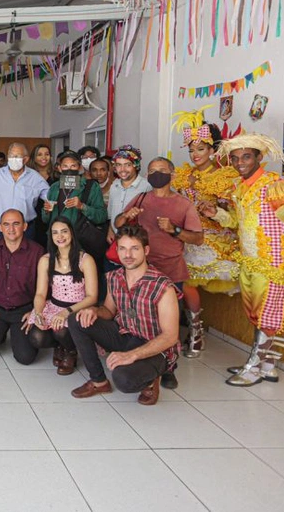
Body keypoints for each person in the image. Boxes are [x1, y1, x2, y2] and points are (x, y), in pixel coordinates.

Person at [206, 133, 284, 387]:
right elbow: (237, 222)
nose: (239, 162)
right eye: (234, 158)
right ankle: (268, 366)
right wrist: (217, 213)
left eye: (246, 156)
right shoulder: (240, 188)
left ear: (259, 157)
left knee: (268, 316)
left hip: (274, 266)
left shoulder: (275, 185)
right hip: (250, 263)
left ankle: (254, 368)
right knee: (258, 316)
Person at [68, 226, 181, 405]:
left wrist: (132, 355)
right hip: (125, 335)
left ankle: (152, 380)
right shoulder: (114, 277)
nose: (128, 254)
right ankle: (99, 381)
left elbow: (170, 336)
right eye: (122, 248)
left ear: (146, 250)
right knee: (76, 318)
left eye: (134, 248)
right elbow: (108, 311)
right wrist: (93, 311)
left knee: (124, 379)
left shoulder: (162, 286)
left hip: (156, 347)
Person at [115, 157, 202, 388]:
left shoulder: (183, 204)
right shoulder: (142, 197)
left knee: (168, 324)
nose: (156, 175)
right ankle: (145, 358)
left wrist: (175, 230)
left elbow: (198, 237)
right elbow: (118, 223)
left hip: (171, 270)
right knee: (145, 319)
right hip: (142, 269)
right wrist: (127, 216)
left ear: (172, 175)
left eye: (161, 171)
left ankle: (168, 367)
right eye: (152, 171)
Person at [170, 109, 242, 358]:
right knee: (181, 283)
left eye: (200, 149)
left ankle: (196, 333)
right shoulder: (184, 175)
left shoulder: (224, 177)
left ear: (213, 150)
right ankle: (192, 329)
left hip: (212, 239)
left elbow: (233, 215)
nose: (195, 154)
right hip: (184, 236)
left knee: (187, 281)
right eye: (191, 150)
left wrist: (215, 211)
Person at [24, 218, 99, 375]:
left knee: (61, 330)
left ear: (71, 232)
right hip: (54, 304)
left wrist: (66, 312)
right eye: (55, 233)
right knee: (36, 337)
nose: (60, 236)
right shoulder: (46, 260)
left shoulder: (85, 260)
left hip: (78, 307)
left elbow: (92, 297)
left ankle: (70, 351)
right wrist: (38, 312)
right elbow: (40, 293)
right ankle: (60, 345)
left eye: (64, 231)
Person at [0, 209, 45, 364]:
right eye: (6, 224)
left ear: (25, 226)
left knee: (25, 358)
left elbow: (48, 286)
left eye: (16, 224)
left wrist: (35, 311)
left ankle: (15, 333)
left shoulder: (37, 251)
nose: (11, 229)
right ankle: (0, 333)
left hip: (24, 310)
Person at [107, 145, 151, 241]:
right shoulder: (114, 185)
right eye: (118, 165)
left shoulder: (146, 186)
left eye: (127, 165)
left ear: (136, 165)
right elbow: (111, 213)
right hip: (116, 237)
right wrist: (110, 230)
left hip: (136, 239)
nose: (122, 169)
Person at [29, 143, 54, 247]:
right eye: (39, 154)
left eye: (47, 154)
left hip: (52, 218)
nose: (44, 157)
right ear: (34, 158)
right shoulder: (28, 176)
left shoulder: (57, 176)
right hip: (33, 219)